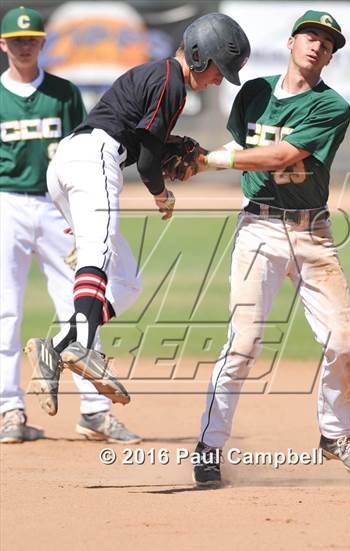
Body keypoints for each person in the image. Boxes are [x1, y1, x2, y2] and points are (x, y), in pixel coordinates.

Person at [24, 14, 251, 412]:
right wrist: (162, 195)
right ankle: (81, 345)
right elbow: (147, 162)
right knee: (99, 254)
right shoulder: (171, 82)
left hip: (71, 163)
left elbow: (148, 142)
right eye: (219, 69)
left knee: (126, 281)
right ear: (198, 57)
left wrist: (166, 150)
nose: (220, 79)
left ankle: (56, 347)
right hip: (93, 158)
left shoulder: (163, 77)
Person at [191, 10, 350, 486]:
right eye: (311, 36)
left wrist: (210, 160)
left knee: (344, 343)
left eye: (328, 43)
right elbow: (247, 147)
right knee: (245, 344)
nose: (318, 45)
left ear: (332, 57)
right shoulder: (253, 93)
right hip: (259, 229)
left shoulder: (332, 107)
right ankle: (209, 447)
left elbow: (279, 155)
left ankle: (335, 435)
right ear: (292, 41)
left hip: (313, 233)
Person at [0, 6, 141, 444]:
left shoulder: (63, 92)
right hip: (6, 203)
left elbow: (77, 151)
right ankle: (10, 410)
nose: (25, 45)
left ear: (43, 43)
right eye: (16, 39)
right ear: (3, 44)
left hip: (52, 207)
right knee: (6, 308)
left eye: (32, 39)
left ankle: (95, 411)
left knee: (81, 299)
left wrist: (73, 211)